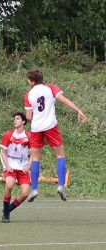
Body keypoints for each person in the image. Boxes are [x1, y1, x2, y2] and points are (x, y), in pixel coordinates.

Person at [24, 70, 86, 202]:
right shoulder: (50, 88)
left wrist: (37, 115)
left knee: (35, 158)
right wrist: (78, 110)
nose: (28, 83)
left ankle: (34, 189)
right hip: (51, 126)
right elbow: (64, 100)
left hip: (36, 128)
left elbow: (28, 117)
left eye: (28, 80)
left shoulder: (28, 95)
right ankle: (61, 186)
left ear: (33, 82)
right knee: (60, 155)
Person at [0, 112, 32, 223]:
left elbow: (34, 153)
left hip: (23, 168)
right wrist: (7, 166)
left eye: (17, 119)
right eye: (14, 119)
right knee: (9, 185)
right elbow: (3, 152)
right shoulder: (8, 135)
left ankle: (7, 210)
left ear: (23, 121)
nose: (15, 120)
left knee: (25, 193)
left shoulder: (29, 136)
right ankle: (6, 215)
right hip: (11, 167)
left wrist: (28, 166)